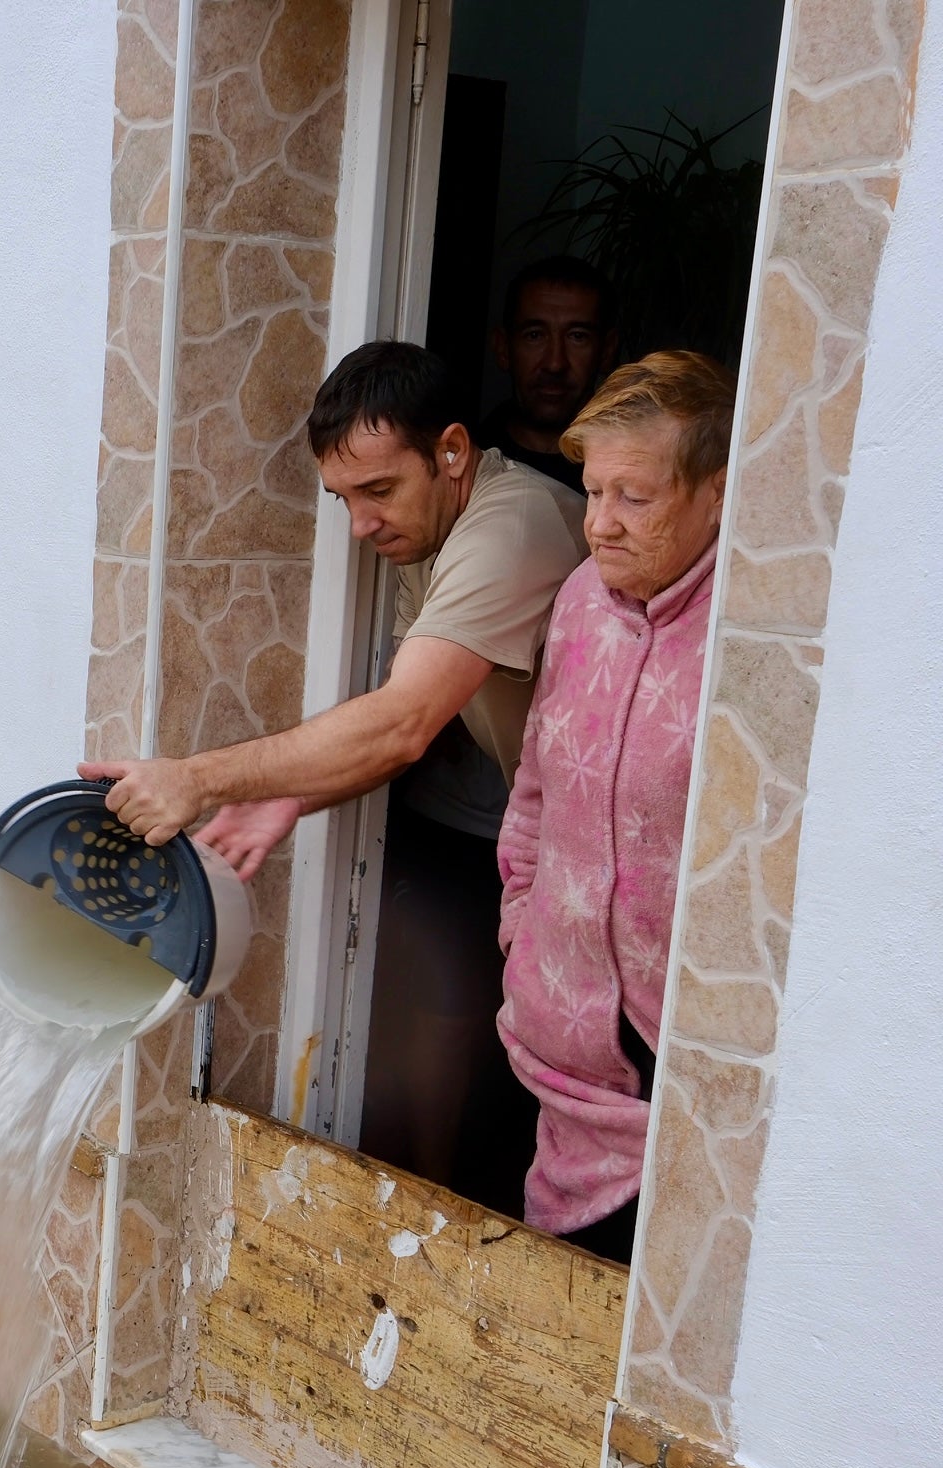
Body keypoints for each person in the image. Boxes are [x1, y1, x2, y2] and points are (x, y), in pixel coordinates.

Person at [80, 342, 585, 1208]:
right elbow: (407, 720)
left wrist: (200, 780)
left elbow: (398, 725)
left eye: (378, 490)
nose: (358, 524)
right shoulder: (433, 535)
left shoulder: (511, 527)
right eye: (342, 498)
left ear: (453, 453)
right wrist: (286, 795)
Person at [495, 352, 734, 1263]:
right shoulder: (580, 603)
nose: (598, 524)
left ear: (714, 494)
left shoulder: (748, 638)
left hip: (670, 1074)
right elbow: (533, 791)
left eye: (633, 497)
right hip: (555, 1048)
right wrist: (523, 935)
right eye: (593, 491)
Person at [476, 258, 619, 494]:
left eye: (577, 337)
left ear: (606, 351)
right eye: (534, 335)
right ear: (503, 348)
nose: (555, 363)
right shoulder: (469, 462)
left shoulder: (629, 472)